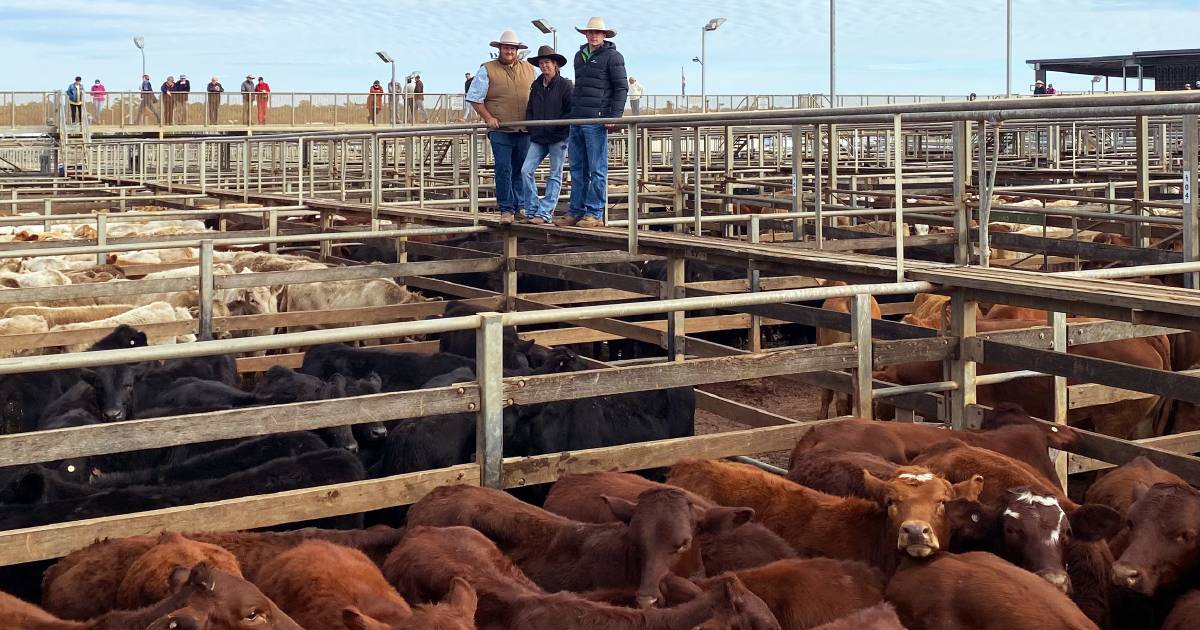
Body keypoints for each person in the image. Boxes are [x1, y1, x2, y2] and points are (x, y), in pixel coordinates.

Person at [559, 16, 627, 228]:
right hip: (578, 119)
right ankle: (576, 211)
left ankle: (595, 213)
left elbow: (621, 87)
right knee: (577, 169)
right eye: (590, 32)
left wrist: (613, 116)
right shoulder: (579, 56)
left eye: (597, 32)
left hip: (596, 119)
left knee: (597, 168)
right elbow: (579, 88)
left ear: (604, 35)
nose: (594, 35)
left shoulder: (613, 56)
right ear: (585, 34)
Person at [466, 30, 535, 223]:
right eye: (506, 48)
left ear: (517, 50)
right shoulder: (487, 69)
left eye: (512, 48)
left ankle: (520, 206)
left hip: (524, 128)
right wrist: (488, 117)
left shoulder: (530, 69)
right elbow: (474, 97)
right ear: (500, 49)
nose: (509, 51)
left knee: (522, 169)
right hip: (500, 129)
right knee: (504, 168)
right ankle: (506, 209)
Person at [520, 45, 573, 225]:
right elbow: (530, 109)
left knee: (555, 174)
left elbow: (571, 111)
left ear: (555, 64)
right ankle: (532, 209)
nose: (544, 66)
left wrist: (559, 128)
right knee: (526, 170)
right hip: (539, 136)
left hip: (558, 137)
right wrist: (532, 128)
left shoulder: (566, 85)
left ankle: (544, 213)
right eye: (541, 63)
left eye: (547, 62)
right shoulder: (536, 86)